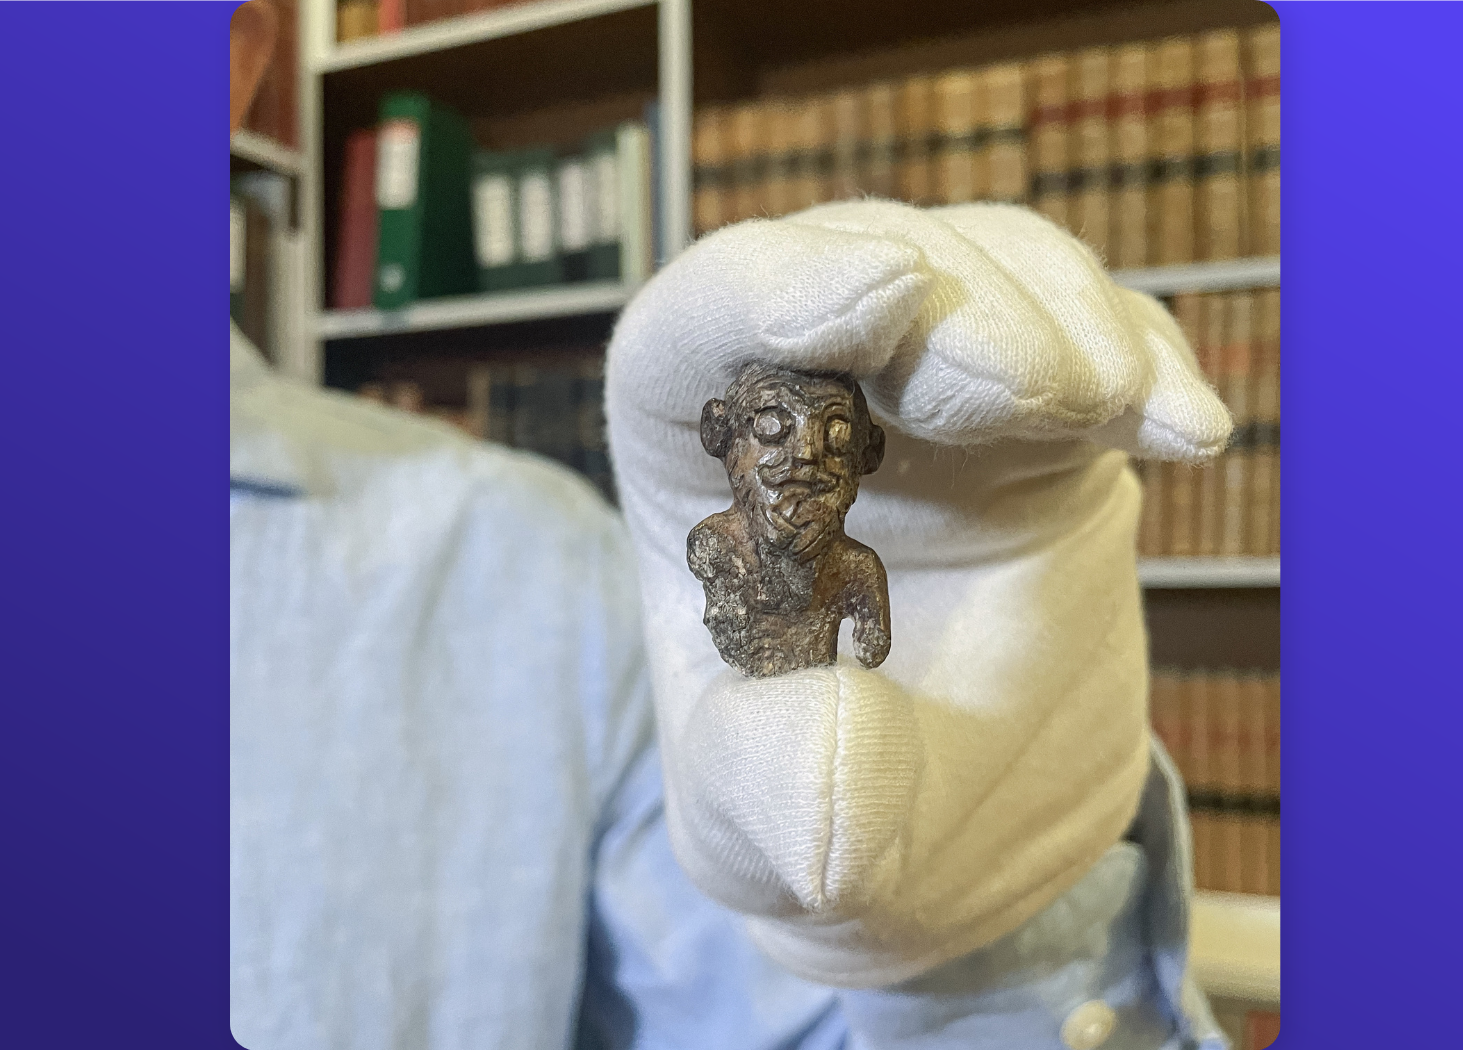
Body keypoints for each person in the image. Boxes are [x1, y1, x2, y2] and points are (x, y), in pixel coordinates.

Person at [229, 3, 1236, 1047]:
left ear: (233, 53)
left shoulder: (544, 577)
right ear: (724, 437)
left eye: (834, 439)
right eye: (772, 430)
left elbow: (778, 1010)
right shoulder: (689, 554)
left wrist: (980, 948)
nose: (804, 460)